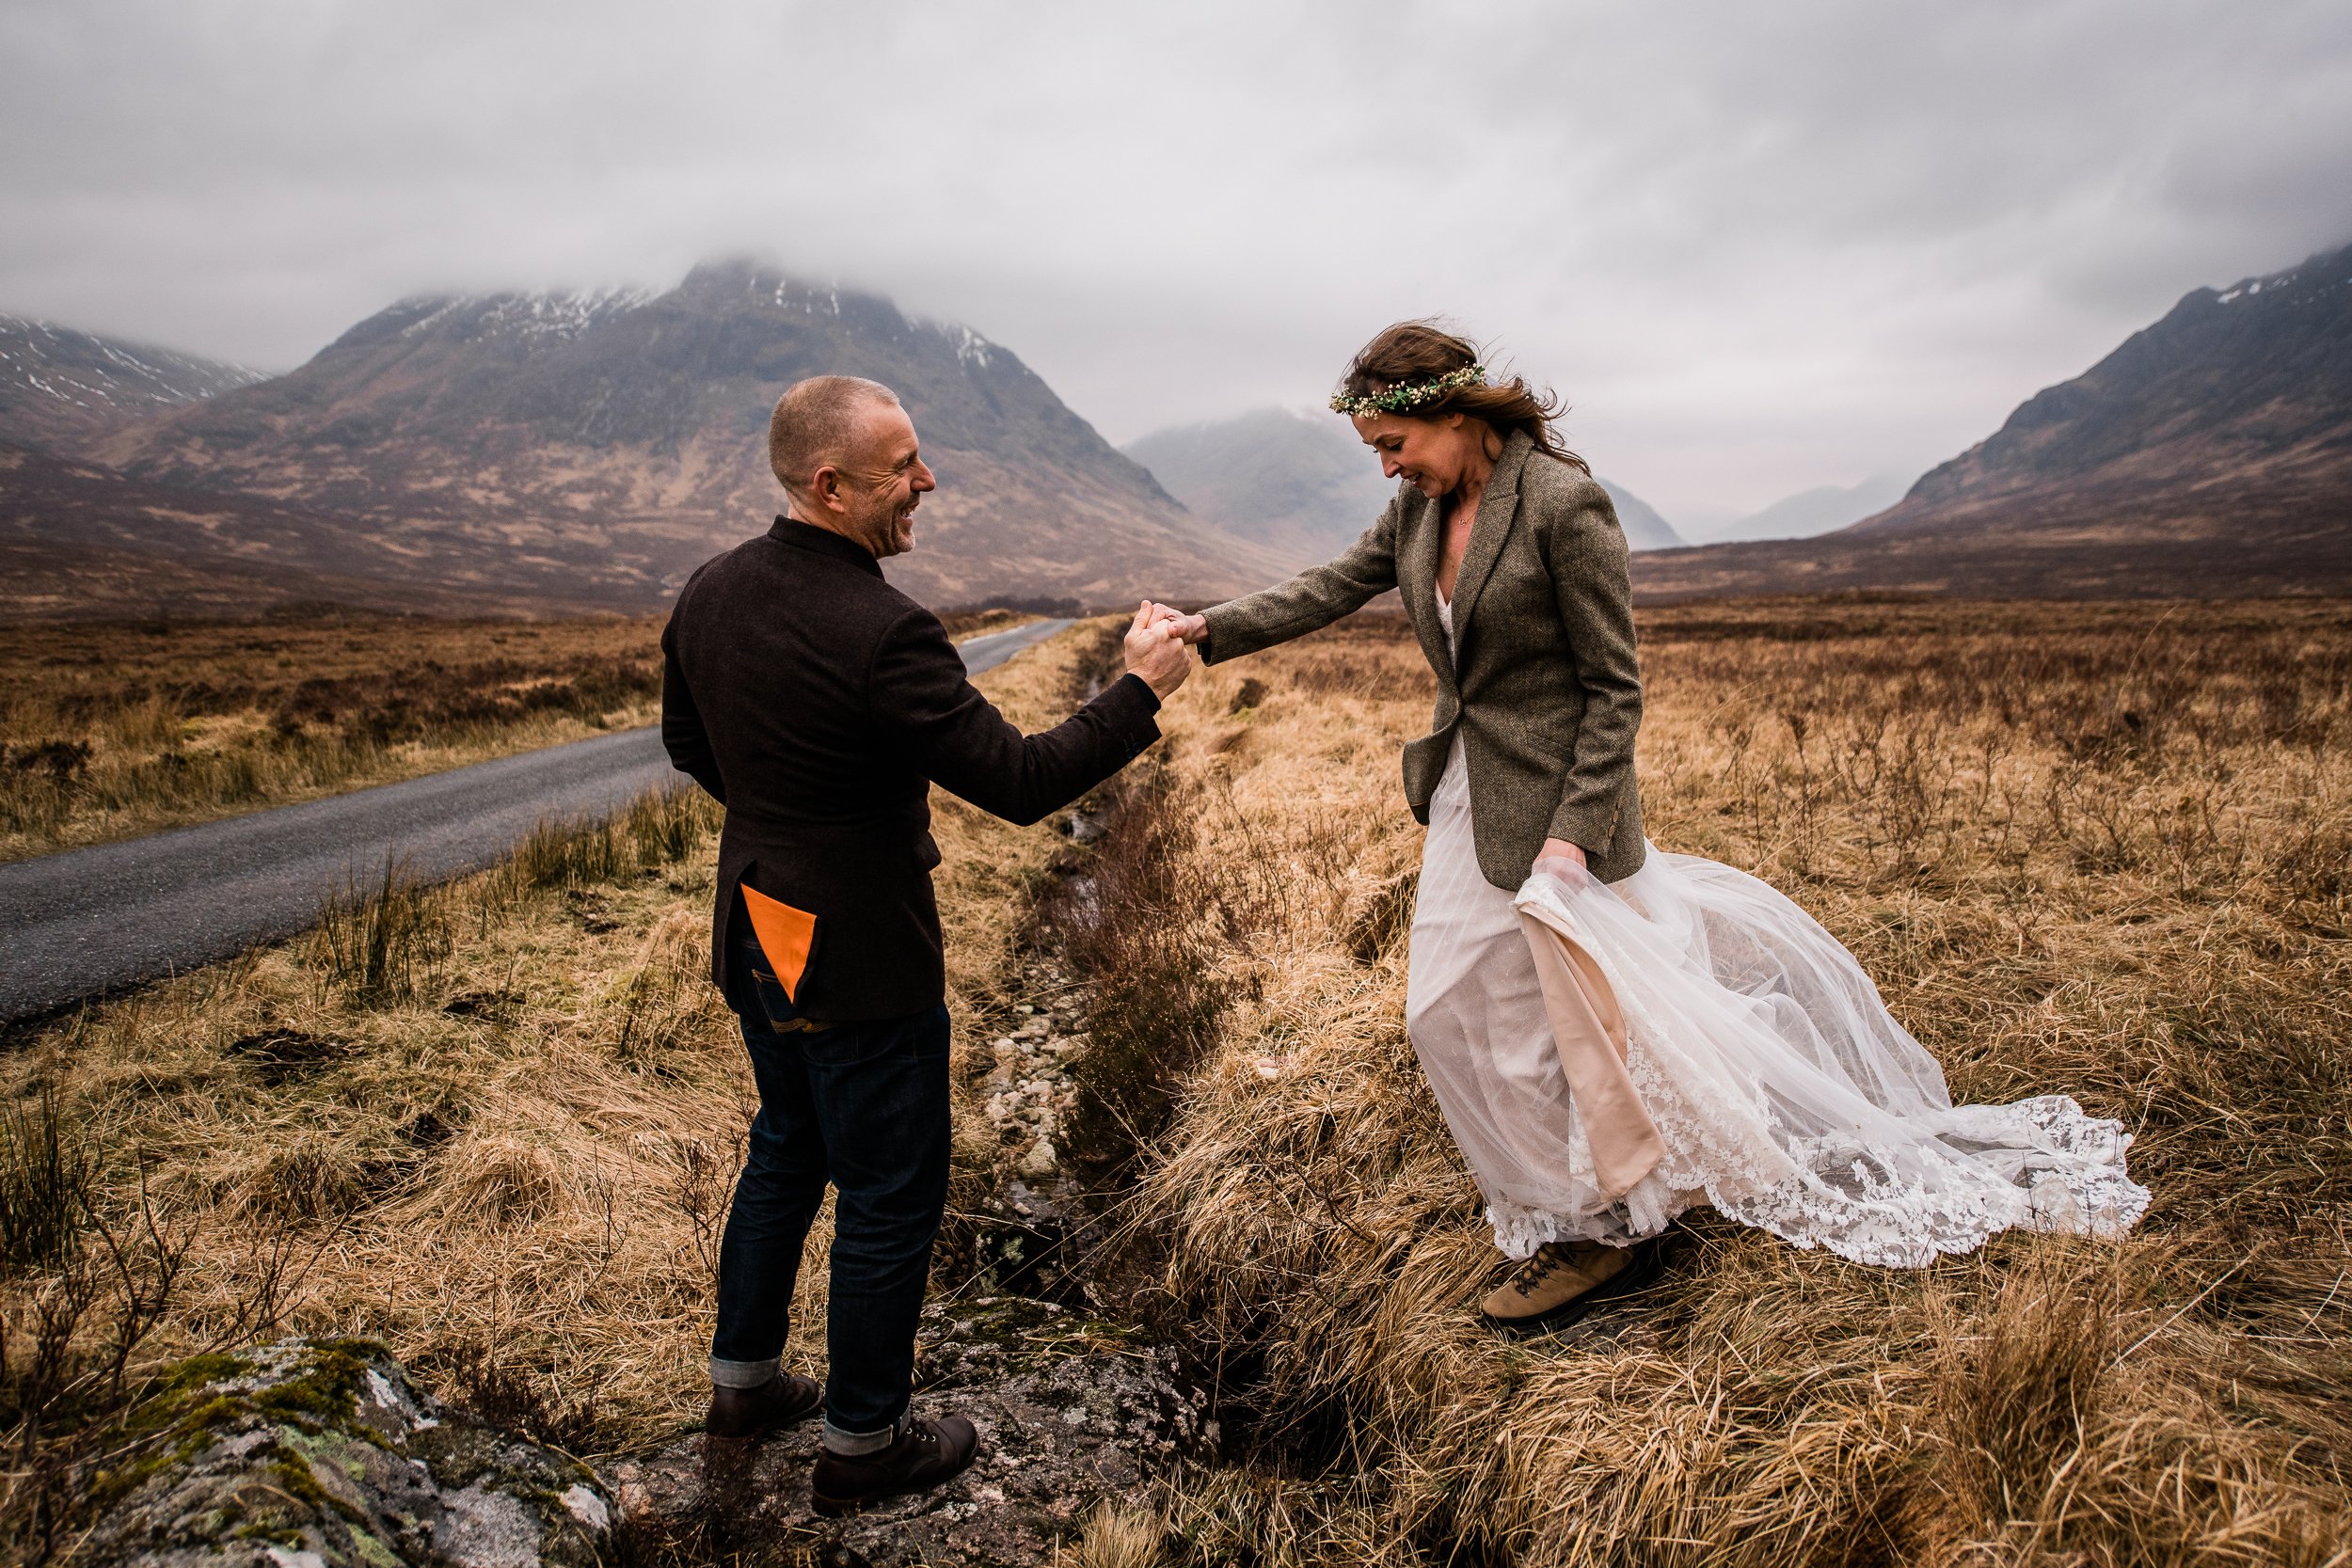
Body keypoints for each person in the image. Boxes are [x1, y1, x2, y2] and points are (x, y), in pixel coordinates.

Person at [1161, 323, 2147, 1336]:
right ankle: (1577, 1197)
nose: (1386, 465)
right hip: (1468, 789)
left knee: (1560, 1015)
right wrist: (1207, 628)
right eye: (1374, 451)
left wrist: (1574, 834)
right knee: (1443, 1011)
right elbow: (1332, 583)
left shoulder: (1560, 503)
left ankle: (1608, 1227)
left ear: (1453, 413)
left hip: (1558, 807)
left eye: (1393, 443)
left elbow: (1613, 687)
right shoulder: (1416, 509)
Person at [661, 374, 1191, 1510]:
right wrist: (1142, 688)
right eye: (903, 465)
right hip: (855, 949)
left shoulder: (708, 590)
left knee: (786, 1146)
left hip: (754, 920)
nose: (927, 479)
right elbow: (1020, 781)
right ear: (830, 483)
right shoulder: (885, 627)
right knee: (892, 1191)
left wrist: (787, 817)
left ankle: (743, 1386)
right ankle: (862, 1445)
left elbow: (686, 741)